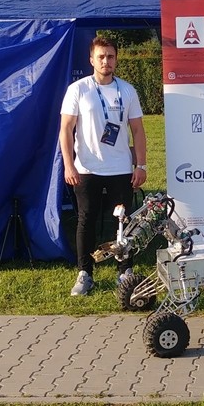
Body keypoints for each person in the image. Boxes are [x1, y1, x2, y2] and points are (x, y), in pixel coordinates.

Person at [59, 35, 147, 296]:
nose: (106, 61)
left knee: (123, 223)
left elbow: (138, 130)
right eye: (101, 57)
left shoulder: (127, 90)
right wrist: (69, 166)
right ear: (91, 60)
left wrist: (141, 165)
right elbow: (65, 129)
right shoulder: (78, 89)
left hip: (120, 168)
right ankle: (85, 273)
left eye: (110, 56)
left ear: (116, 59)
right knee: (86, 220)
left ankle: (125, 271)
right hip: (87, 169)